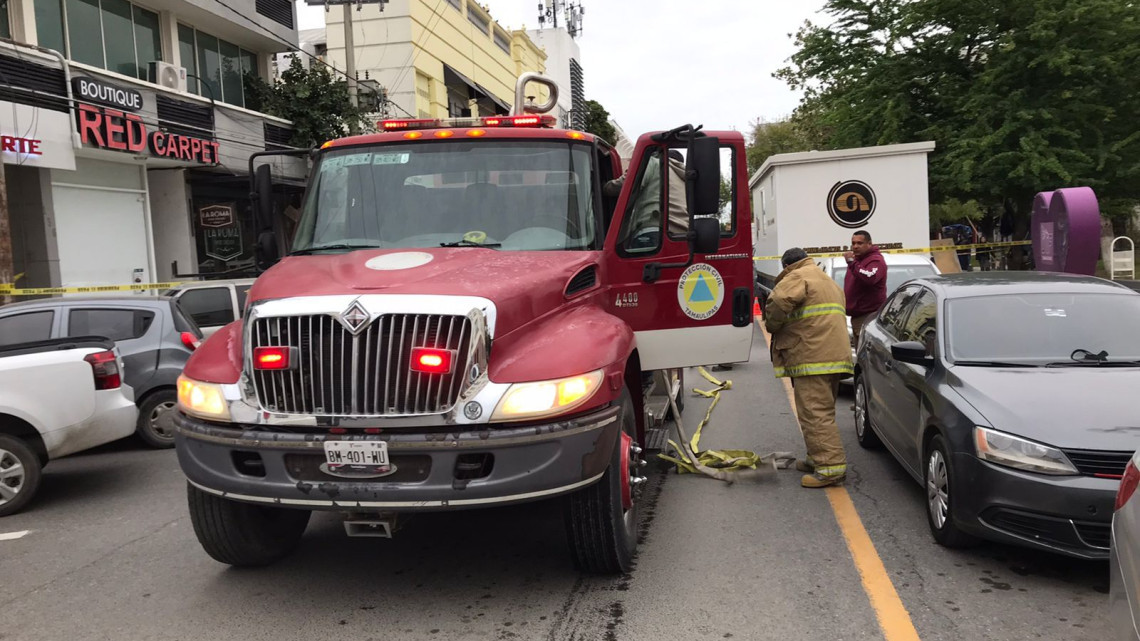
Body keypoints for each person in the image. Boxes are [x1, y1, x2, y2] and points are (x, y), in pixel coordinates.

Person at [764, 247, 854, 488]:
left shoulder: (796, 276)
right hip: (832, 356)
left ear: (786, 266)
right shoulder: (824, 279)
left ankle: (830, 469)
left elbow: (778, 301)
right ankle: (816, 458)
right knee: (822, 411)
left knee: (814, 414)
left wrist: (772, 324)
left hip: (812, 356)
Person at [843, 230, 887, 350]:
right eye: (853, 243)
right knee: (860, 355)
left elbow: (869, 277)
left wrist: (852, 263)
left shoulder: (876, 261)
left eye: (860, 243)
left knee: (866, 356)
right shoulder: (857, 260)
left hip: (868, 316)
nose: (855, 246)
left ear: (869, 244)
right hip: (856, 317)